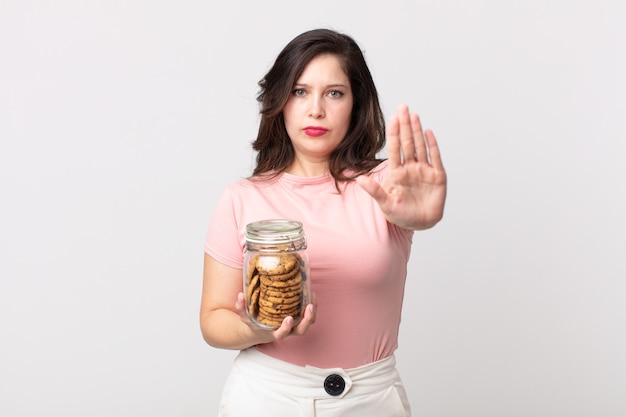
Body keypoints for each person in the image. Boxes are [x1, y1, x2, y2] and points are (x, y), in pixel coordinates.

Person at [200, 28, 447, 417]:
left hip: (372, 398)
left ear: (356, 103)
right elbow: (213, 319)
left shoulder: (385, 186)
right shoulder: (241, 197)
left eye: (334, 92)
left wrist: (422, 218)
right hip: (268, 395)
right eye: (300, 91)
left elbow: (410, 209)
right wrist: (259, 329)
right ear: (280, 102)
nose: (316, 109)